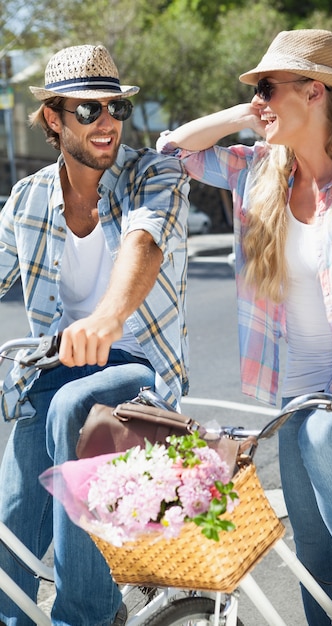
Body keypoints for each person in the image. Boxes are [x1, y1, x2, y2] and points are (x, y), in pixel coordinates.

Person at [156, 28, 332, 626]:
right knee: (312, 550)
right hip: (299, 386)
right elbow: (172, 151)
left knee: (330, 438)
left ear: (315, 92)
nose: (262, 100)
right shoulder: (259, 171)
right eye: (258, 91)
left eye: (270, 88)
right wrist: (246, 112)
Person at [0, 44, 189, 625]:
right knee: (11, 536)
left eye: (115, 108)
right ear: (54, 119)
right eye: (88, 111)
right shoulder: (28, 198)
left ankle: (87, 616)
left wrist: (106, 319)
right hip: (51, 373)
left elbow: (145, 243)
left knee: (72, 410)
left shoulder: (150, 174)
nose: (106, 122)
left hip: (137, 371)